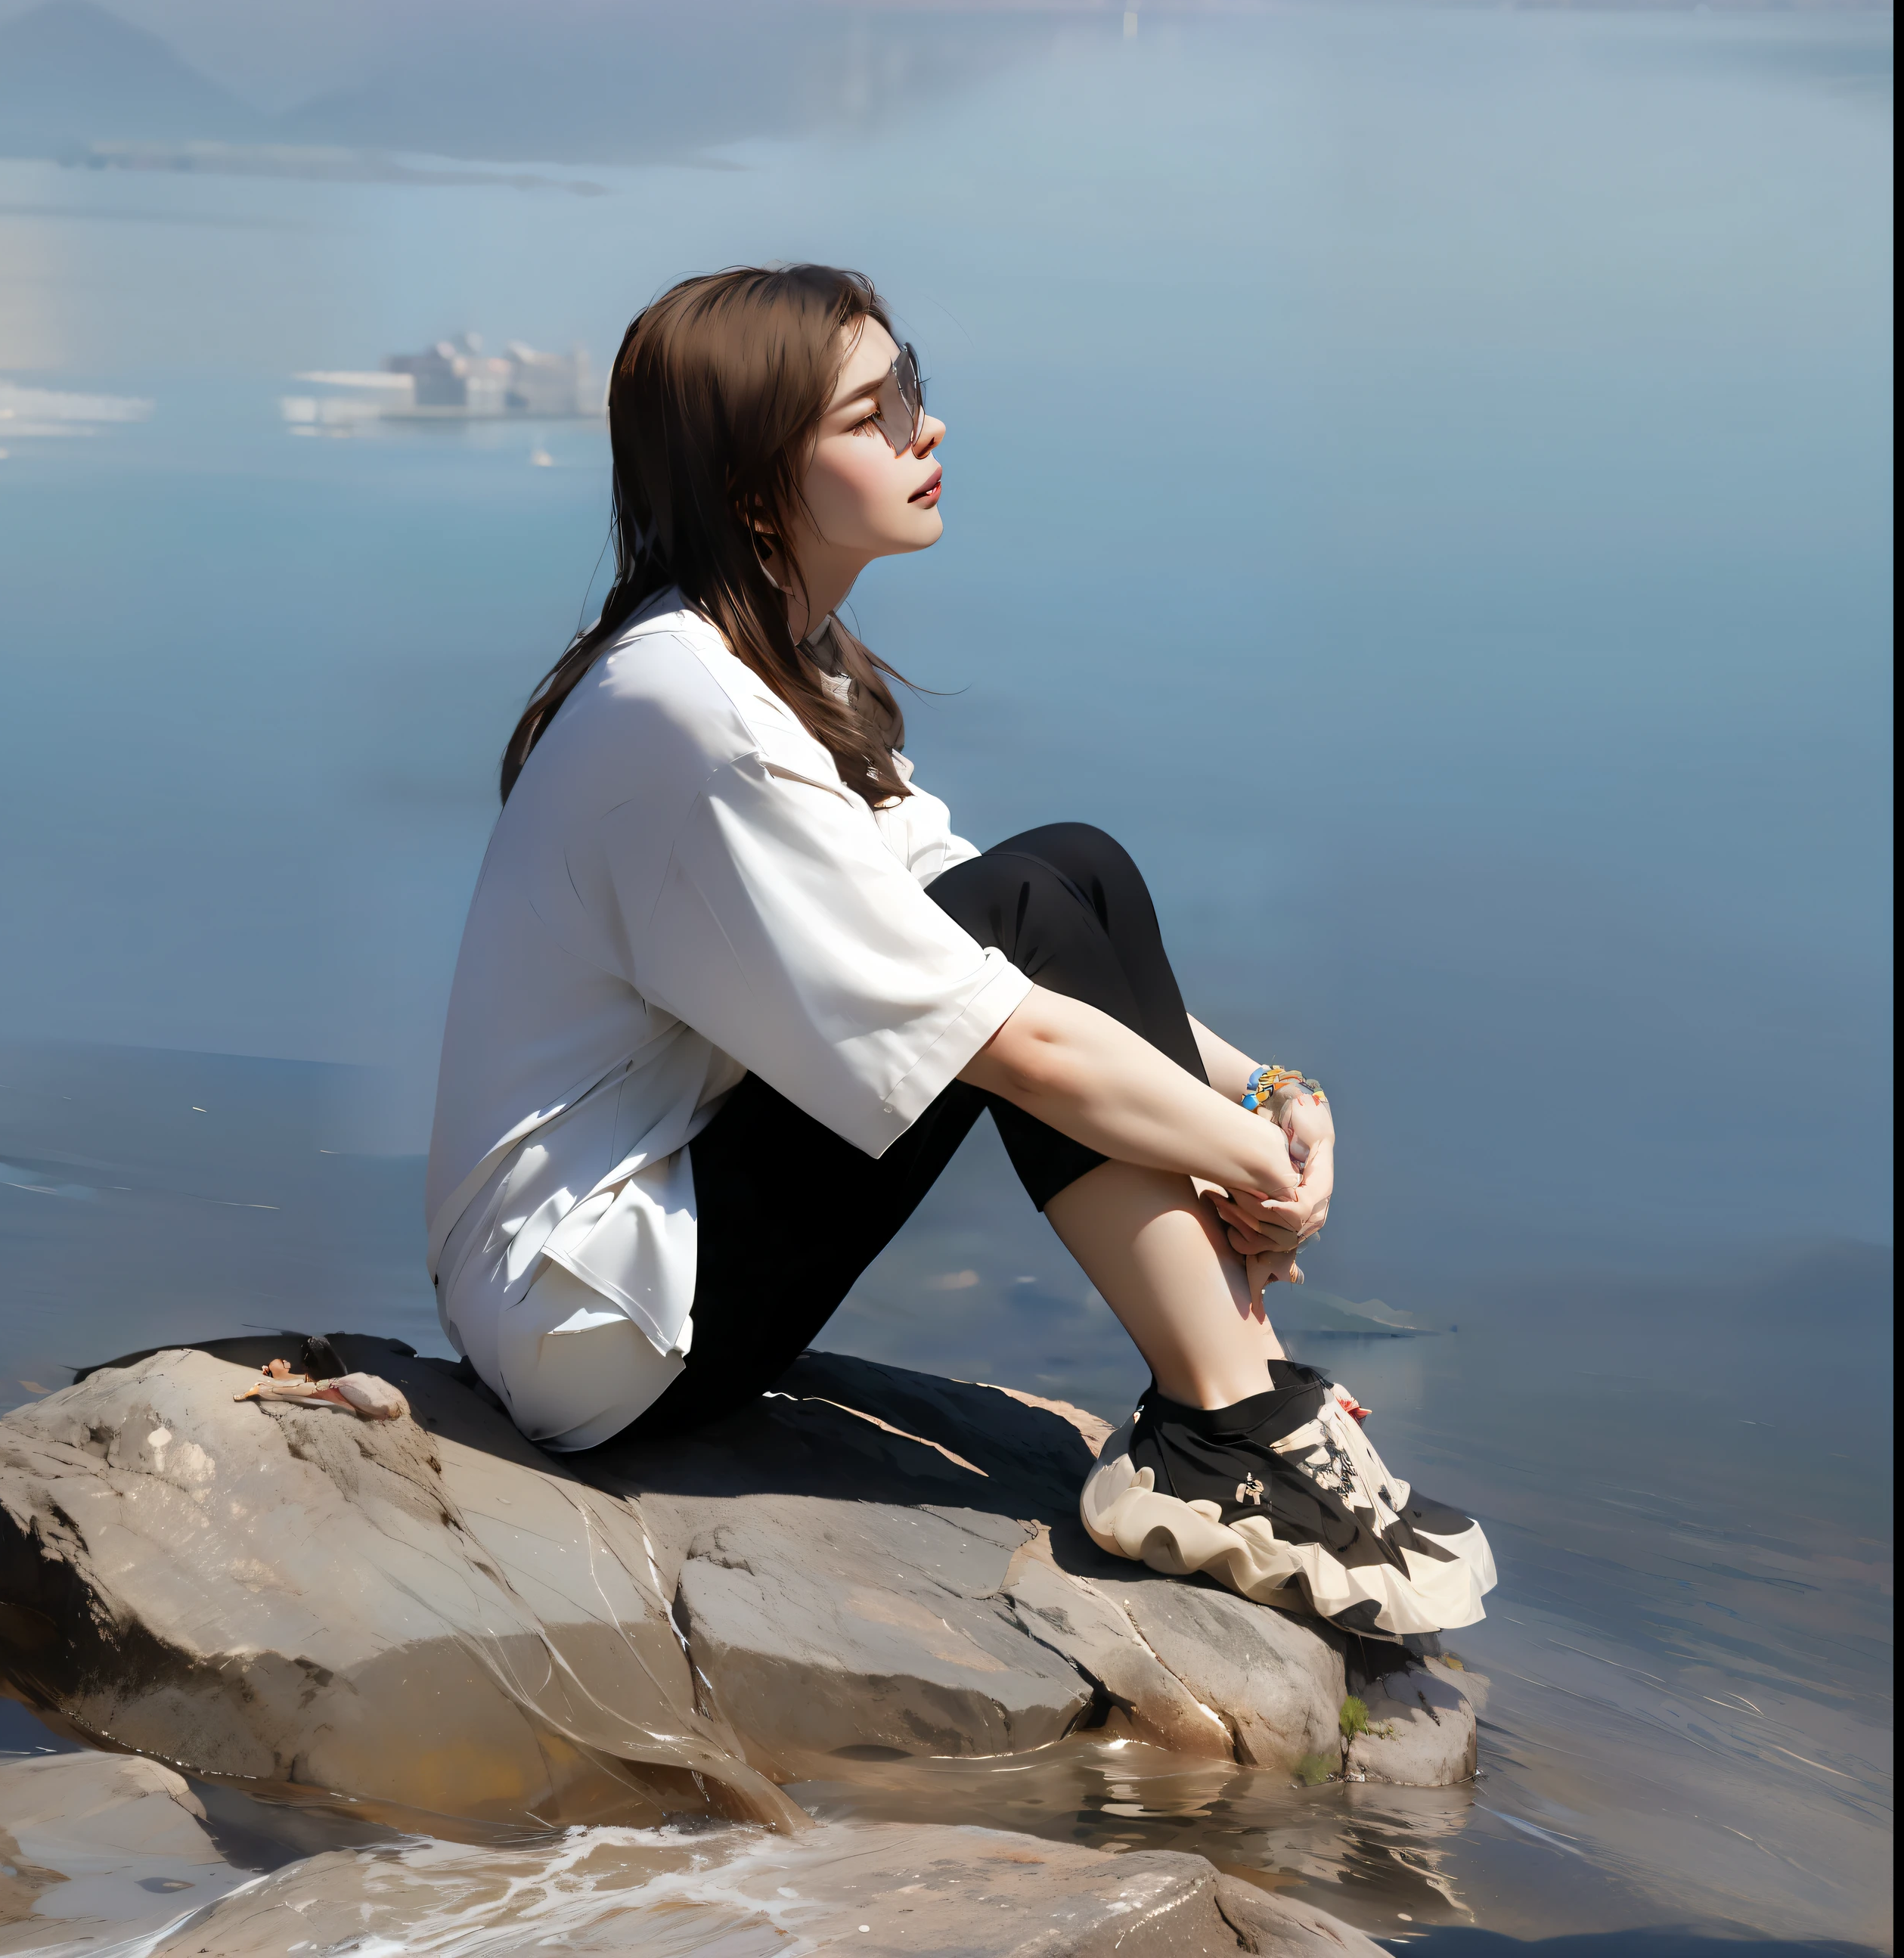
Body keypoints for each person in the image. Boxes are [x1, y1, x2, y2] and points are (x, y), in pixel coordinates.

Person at [426, 264, 1493, 1638]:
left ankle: (1243, 1405)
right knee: (1029, 925)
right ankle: (1231, 1426)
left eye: (911, 389)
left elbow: (964, 899)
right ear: (759, 486)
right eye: (875, 414)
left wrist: (1271, 1099)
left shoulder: (773, 665)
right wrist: (1249, 1173)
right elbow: (1010, 1030)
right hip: (597, 1315)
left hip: (658, 1251)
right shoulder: (685, 715)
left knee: (1073, 867)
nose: (926, 433)